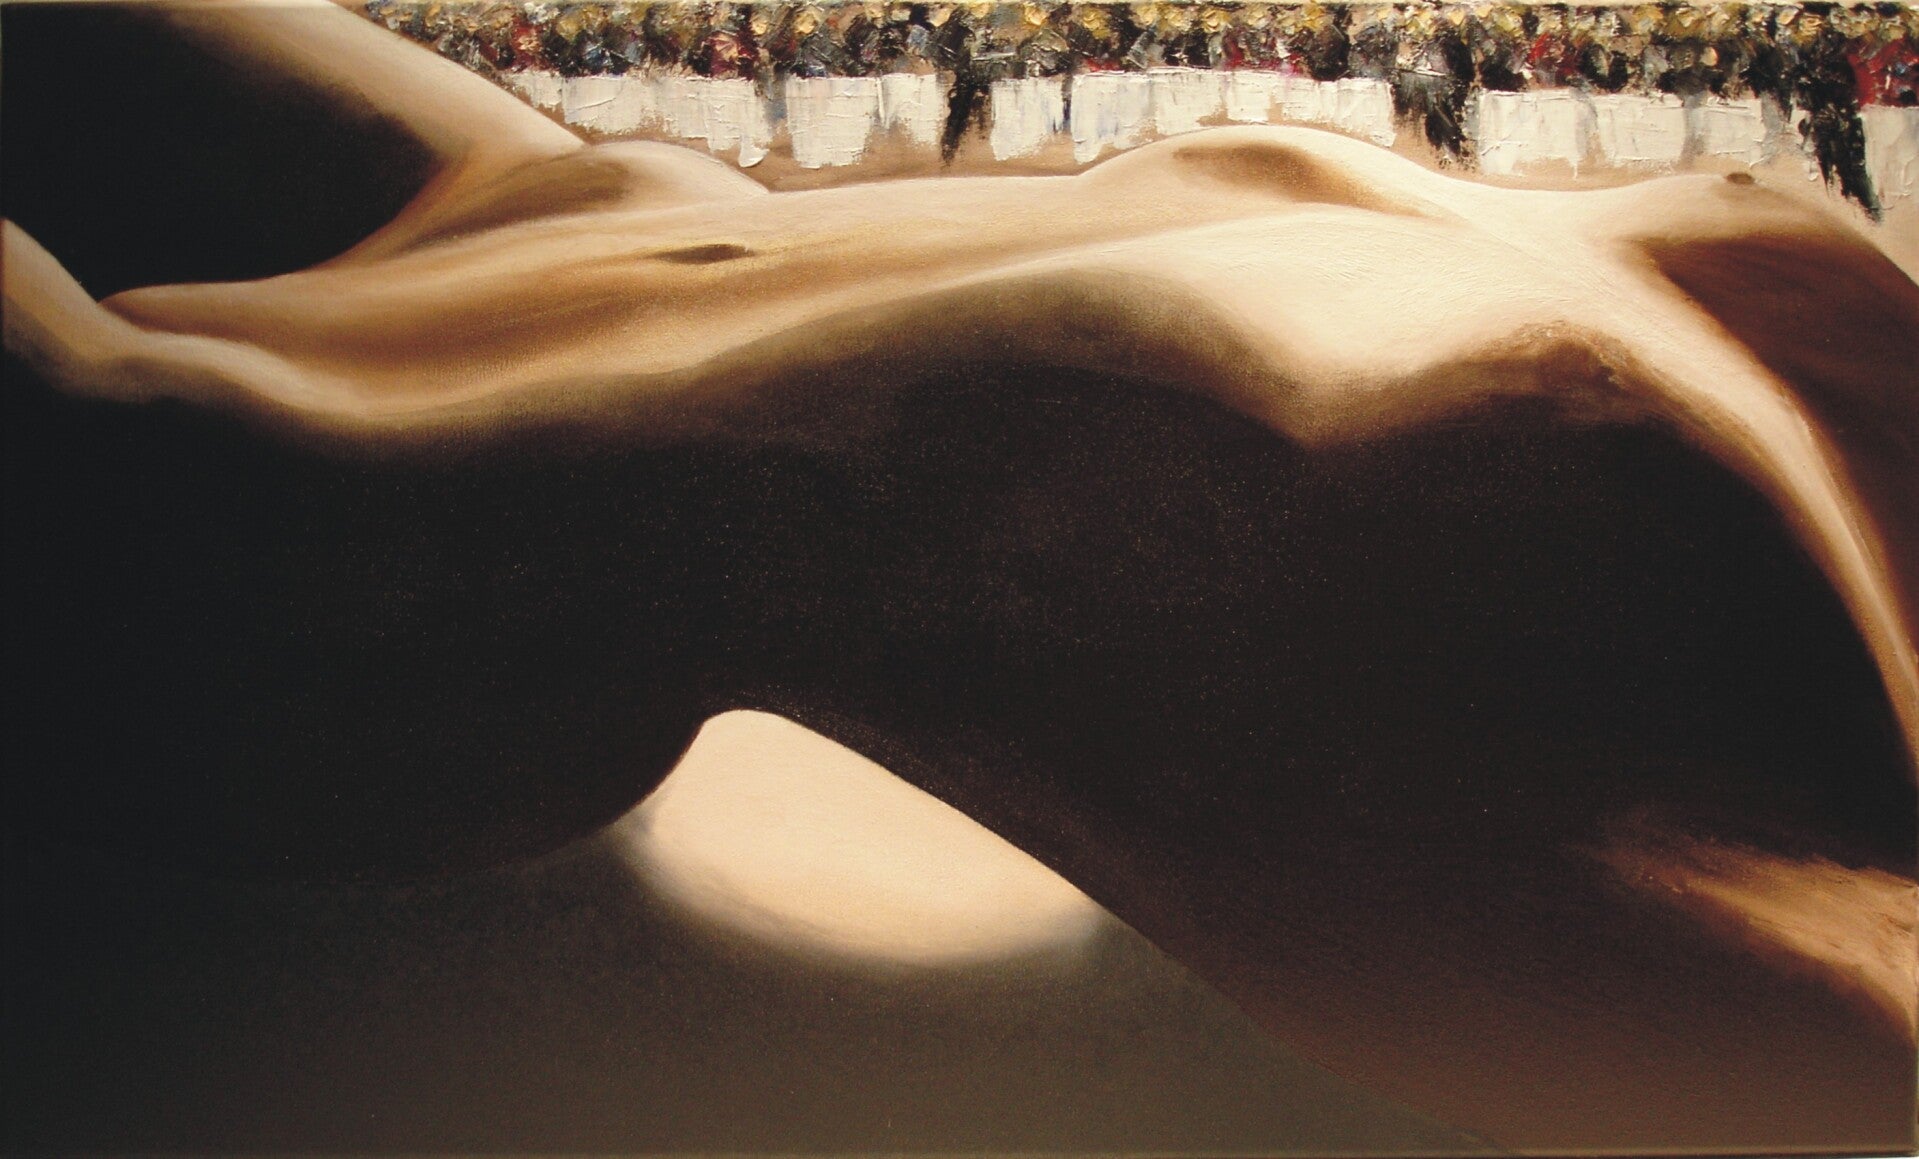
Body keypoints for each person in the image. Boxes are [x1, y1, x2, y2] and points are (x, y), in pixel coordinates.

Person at [4, 0, 1916, 1153]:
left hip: (476, 502)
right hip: (591, 242)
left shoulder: (1746, 903)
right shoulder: (1822, 378)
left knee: (146, 463)